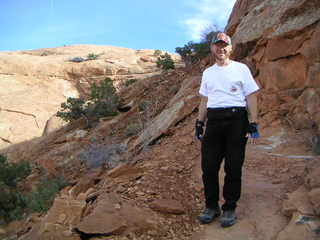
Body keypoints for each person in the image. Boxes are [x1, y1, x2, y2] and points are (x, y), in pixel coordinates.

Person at [195, 32, 260, 228]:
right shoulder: (208, 73)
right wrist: (199, 122)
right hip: (213, 121)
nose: (221, 48)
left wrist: (253, 122)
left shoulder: (241, 69)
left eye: (224, 45)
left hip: (236, 120)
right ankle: (211, 206)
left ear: (230, 48)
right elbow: (205, 100)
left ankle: (229, 207)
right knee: (209, 167)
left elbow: (251, 96)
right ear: (212, 48)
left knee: (233, 166)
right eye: (217, 45)